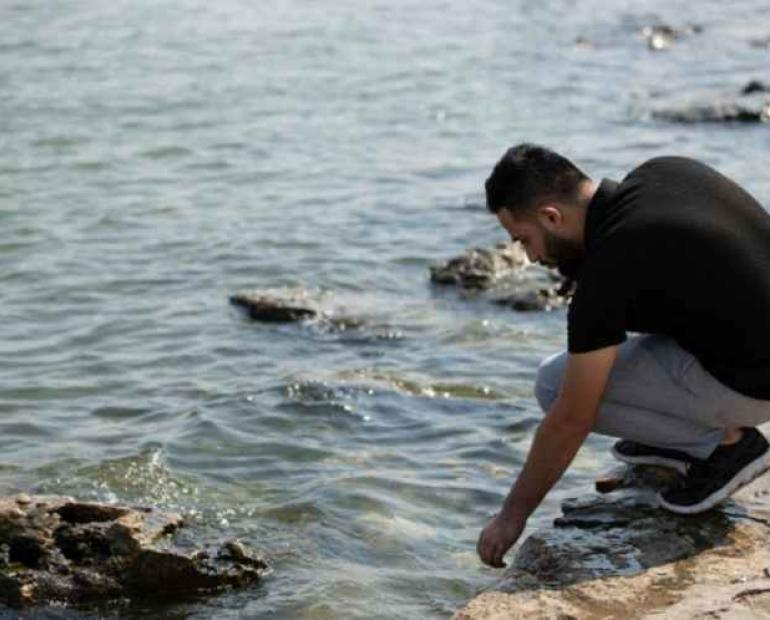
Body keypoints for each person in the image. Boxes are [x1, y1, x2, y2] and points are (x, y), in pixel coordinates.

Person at [476, 144, 770, 568]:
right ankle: (683, 437)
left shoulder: (610, 268)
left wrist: (511, 517)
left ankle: (725, 446)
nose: (530, 257)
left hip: (756, 387)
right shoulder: (665, 171)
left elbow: (572, 417)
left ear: (551, 217)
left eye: (524, 240)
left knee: (553, 384)